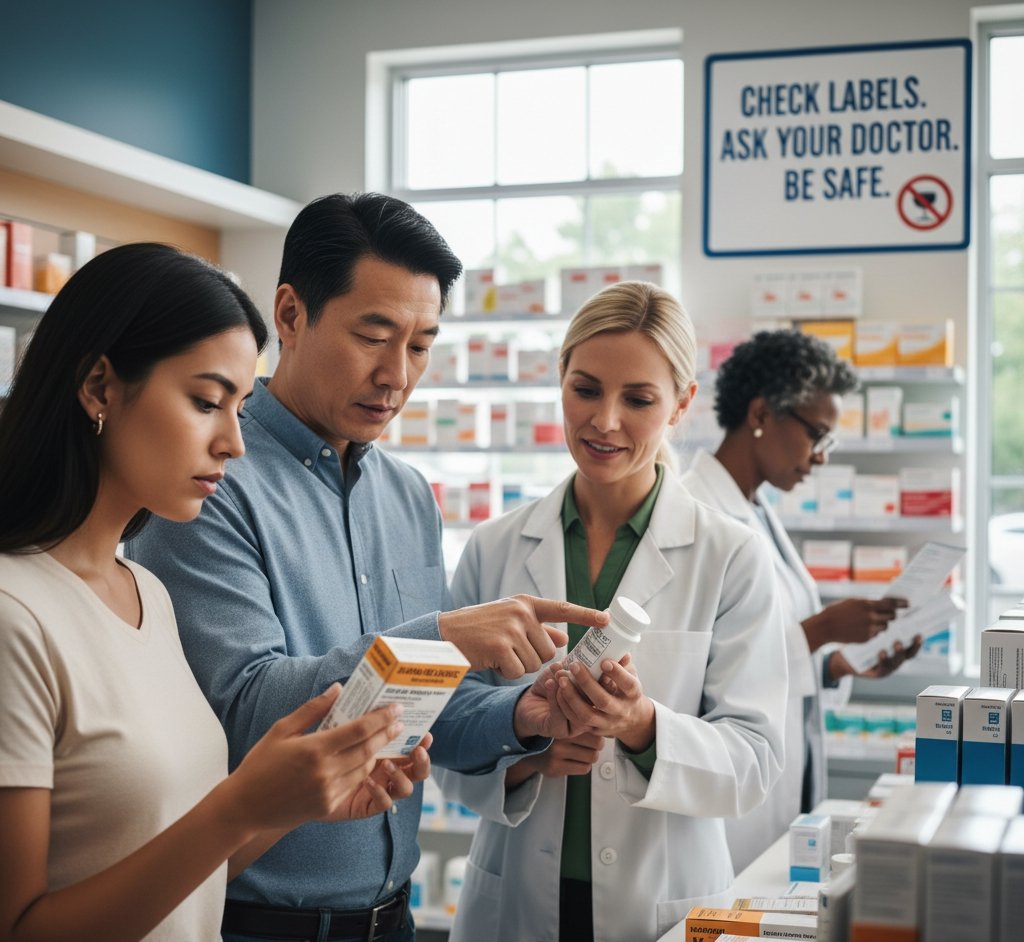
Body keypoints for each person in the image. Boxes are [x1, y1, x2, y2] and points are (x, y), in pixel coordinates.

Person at [126, 193, 609, 942]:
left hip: (393, 920)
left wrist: (522, 713)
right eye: (373, 335)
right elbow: (249, 710)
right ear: (289, 315)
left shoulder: (407, 497)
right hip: (253, 923)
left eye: (420, 345)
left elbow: (429, 714)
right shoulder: (210, 481)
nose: (396, 374)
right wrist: (439, 637)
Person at [0, 243, 433, 942]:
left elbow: (181, 877)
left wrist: (289, 802)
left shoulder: (145, 592)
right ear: (99, 388)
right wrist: (236, 807)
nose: (233, 442)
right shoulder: (15, 617)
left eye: (238, 405)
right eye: (206, 401)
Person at [432, 281, 789, 942]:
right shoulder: (495, 547)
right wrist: (530, 753)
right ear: (559, 381)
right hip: (512, 900)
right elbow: (439, 734)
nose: (604, 421)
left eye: (639, 399)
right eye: (586, 389)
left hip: (662, 898)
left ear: (682, 403)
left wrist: (643, 724)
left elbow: (757, 761)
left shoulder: (730, 555)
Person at [681, 328, 921, 873]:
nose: (820, 457)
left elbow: (772, 654)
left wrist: (838, 663)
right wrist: (822, 630)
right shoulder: (694, 513)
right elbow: (696, 670)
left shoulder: (758, 510)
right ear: (762, 412)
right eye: (817, 434)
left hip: (785, 781)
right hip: (725, 807)